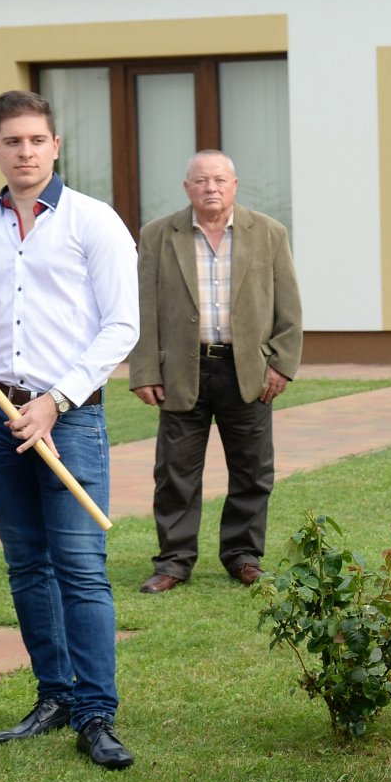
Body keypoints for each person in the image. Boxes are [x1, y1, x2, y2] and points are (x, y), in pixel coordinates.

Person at [0, 91, 139, 770]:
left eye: (37, 140)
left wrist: (56, 401)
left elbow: (122, 326)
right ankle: (55, 695)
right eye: (12, 141)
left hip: (66, 417)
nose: (26, 152)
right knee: (26, 565)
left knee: (78, 568)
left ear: (56, 146)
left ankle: (97, 714)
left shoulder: (93, 223)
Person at [129, 151, 302, 593]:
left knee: (253, 470)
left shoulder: (268, 233)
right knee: (175, 473)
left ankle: (243, 556)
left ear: (235, 184)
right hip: (180, 373)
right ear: (187, 187)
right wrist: (145, 368)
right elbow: (143, 307)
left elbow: (289, 305)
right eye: (201, 180)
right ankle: (174, 561)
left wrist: (280, 362)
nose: (211, 187)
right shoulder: (156, 235)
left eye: (219, 180)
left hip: (247, 371)